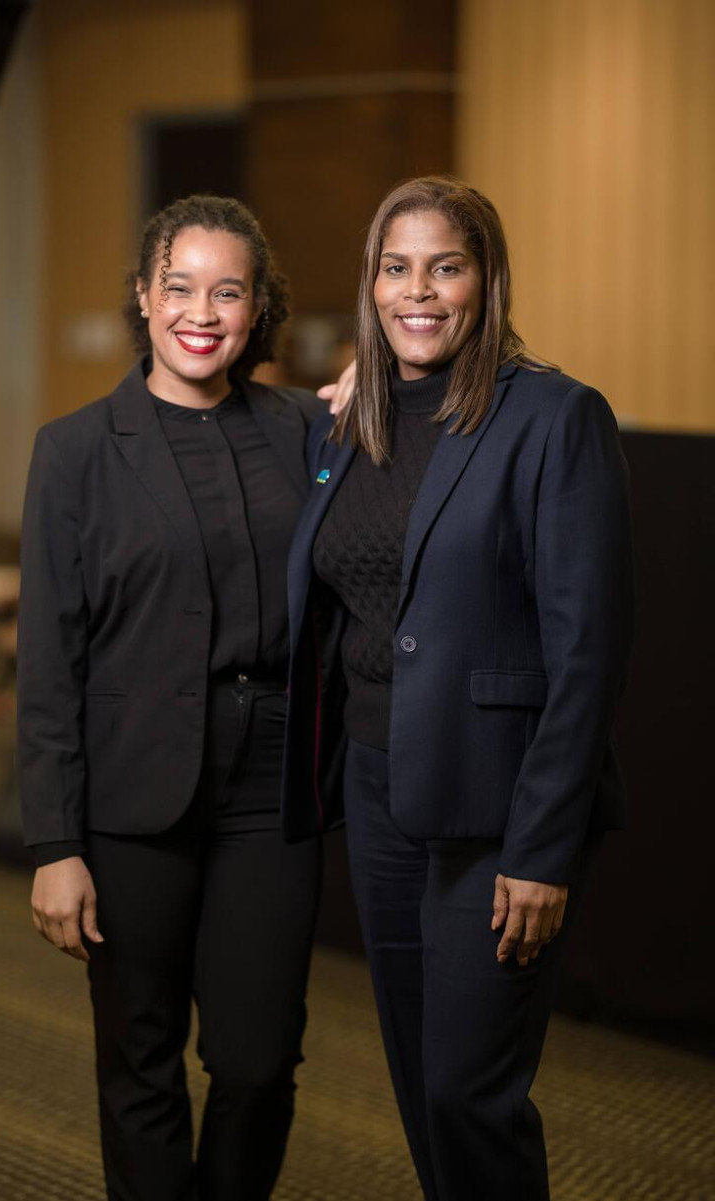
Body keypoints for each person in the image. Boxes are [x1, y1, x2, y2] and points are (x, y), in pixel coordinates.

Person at [283, 176, 634, 1200]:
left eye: (445, 265)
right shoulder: (349, 422)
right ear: (371, 283)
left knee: (465, 1095)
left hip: (492, 813)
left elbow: (589, 651)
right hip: (379, 792)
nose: (417, 291)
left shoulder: (554, 417)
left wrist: (541, 848)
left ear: (485, 279)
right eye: (396, 268)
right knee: (413, 1081)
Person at [18, 194, 325, 1201]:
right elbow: (51, 660)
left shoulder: (300, 434)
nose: (202, 310)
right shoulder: (74, 450)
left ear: (255, 307)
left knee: (255, 1059)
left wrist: (378, 389)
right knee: (139, 1060)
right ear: (143, 298)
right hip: (132, 798)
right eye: (180, 286)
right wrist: (54, 843)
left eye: (227, 290)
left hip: (267, 796)